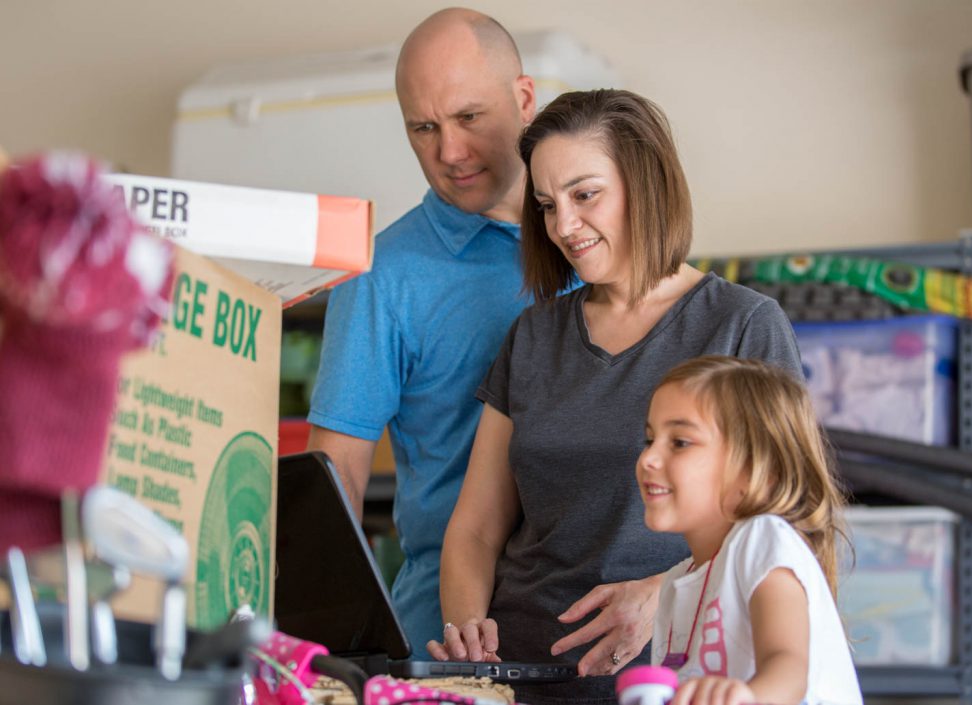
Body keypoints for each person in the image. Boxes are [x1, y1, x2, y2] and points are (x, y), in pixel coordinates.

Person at [428, 89, 803, 705]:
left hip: (676, 679)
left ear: (645, 184)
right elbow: (475, 529)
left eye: (585, 195)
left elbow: (787, 523)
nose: (564, 226)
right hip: (520, 678)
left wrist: (665, 593)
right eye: (548, 205)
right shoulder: (533, 334)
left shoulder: (742, 325)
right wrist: (468, 638)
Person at [306, 8, 536, 658]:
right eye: (424, 127)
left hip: (599, 629)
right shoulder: (382, 276)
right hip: (443, 637)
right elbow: (336, 483)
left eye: (469, 118)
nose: (450, 153)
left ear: (523, 98)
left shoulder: (597, 243)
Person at [640, 355, 861, 705]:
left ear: (755, 468)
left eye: (679, 442)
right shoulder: (675, 584)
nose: (648, 459)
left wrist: (749, 696)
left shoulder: (761, 539)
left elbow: (787, 665)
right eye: (649, 440)